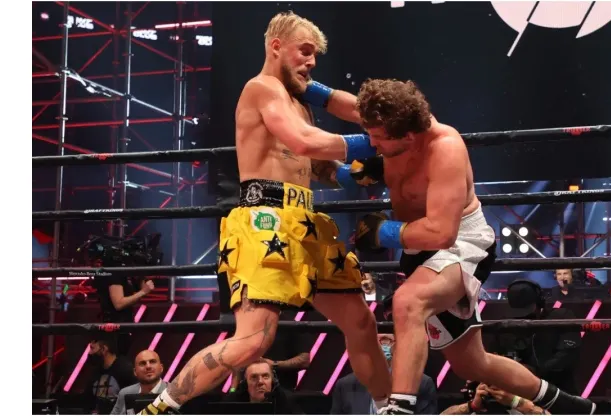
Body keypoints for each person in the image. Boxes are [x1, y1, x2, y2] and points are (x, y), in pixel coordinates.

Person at [139, 11, 390, 415]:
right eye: (304, 52)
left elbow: (316, 165)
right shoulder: (261, 88)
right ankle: (159, 408)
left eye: (315, 57)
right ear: (277, 46)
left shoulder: (299, 101)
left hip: (307, 222)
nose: (311, 63)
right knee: (254, 342)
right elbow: (303, 141)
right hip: (264, 220)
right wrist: (370, 143)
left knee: (361, 323)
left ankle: (387, 408)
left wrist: (354, 174)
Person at [353, 79, 595, 415]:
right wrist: (308, 90)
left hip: (458, 244)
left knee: (409, 302)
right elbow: (339, 107)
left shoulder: (445, 148)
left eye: (378, 139)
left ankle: (399, 410)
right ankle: (574, 407)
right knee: (473, 364)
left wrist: (383, 232)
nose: (369, 143)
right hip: (417, 251)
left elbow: (441, 233)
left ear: (407, 136)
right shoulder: (389, 124)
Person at [505, 280, 580, 394]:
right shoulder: (507, 325)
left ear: (540, 302)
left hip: (559, 390)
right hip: (519, 393)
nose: (524, 316)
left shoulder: (561, 317)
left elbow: (567, 355)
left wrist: (534, 371)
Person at [331, 333, 437, 415]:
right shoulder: (345, 385)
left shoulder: (422, 384)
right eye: (379, 341)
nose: (384, 345)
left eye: (388, 341)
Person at [226, 359, 303, 414]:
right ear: (245, 383)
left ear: (273, 380)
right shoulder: (233, 402)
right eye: (254, 377)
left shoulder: (286, 400)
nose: (260, 382)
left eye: (265, 376)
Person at [86, 335, 136, 414]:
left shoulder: (125, 370)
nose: (89, 353)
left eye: (92, 349)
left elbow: (133, 404)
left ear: (104, 349)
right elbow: (88, 402)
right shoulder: (95, 372)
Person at [111, 350, 168, 414]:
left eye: (152, 362)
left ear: (161, 368)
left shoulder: (173, 393)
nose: (148, 366)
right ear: (135, 372)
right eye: (143, 363)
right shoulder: (124, 393)